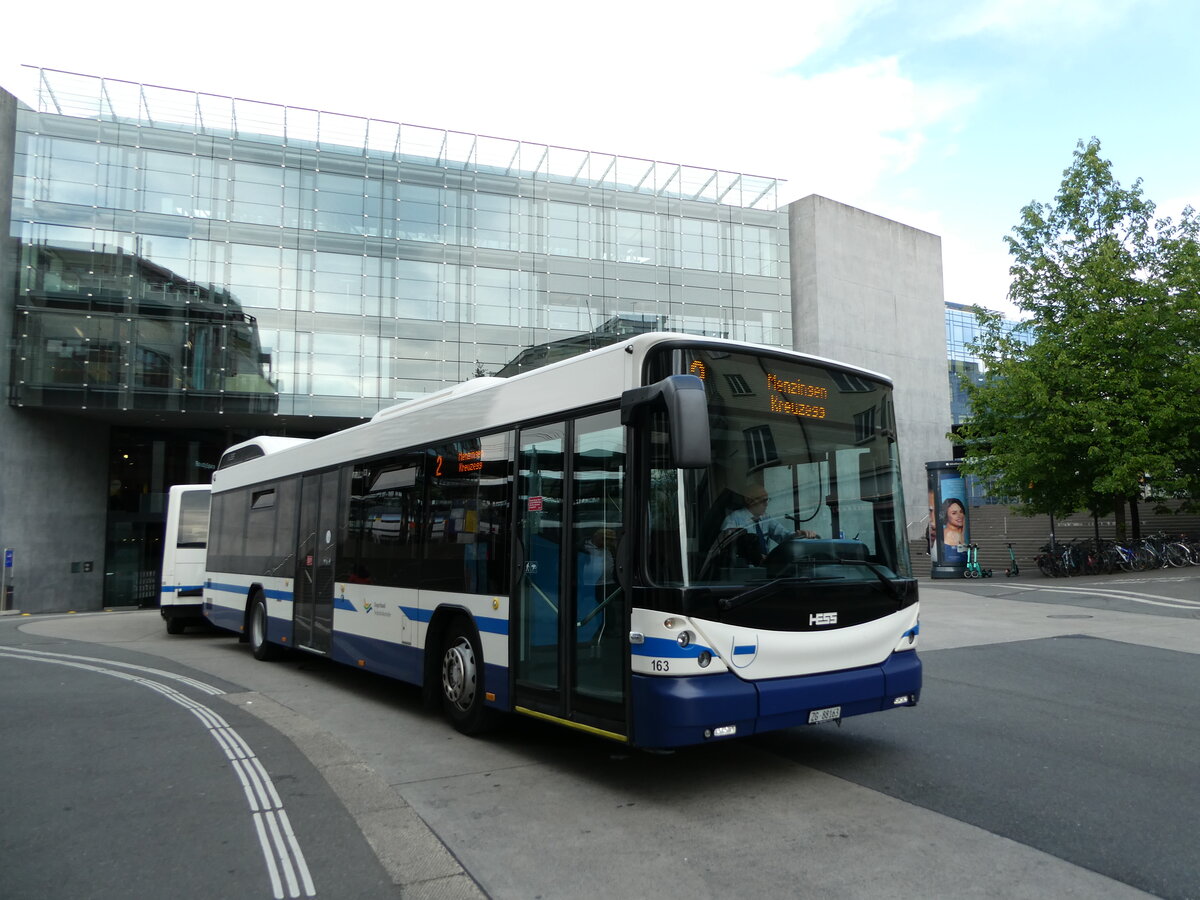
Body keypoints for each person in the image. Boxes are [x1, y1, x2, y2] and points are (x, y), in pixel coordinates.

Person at [718, 486, 817, 566]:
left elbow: (783, 535)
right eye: (762, 500)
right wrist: (753, 555)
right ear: (748, 500)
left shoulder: (766, 518)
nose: (766, 504)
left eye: (767, 500)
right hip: (744, 569)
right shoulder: (733, 519)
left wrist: (798, 535)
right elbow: (726, 547)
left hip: (765, 567)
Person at [940, 497, 967, 562]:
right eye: (954, 513)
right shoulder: (945, 535)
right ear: (946, 515)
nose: (959, 515)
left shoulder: (963, 533)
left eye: (961, 512)